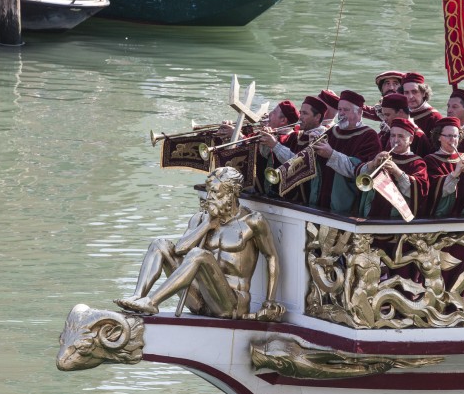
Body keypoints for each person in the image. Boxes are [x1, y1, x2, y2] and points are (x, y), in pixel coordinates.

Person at [114, 167, 284, 321]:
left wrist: (269, 301)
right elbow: (179, 250)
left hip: (230, 304)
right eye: (208, 192)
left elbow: (271, 257)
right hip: (200, 299)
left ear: (232, 193)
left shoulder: (252, 221)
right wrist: (207, 224)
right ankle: (137, 298)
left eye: (215, 192)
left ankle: (152, 301)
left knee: (199, 255)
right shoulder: (201, 218)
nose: (209, 198)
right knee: (160, 245)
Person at [312, 90, 382, 214]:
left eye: (346, 110)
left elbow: (362, 171)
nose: (341, 114)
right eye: (340, 110)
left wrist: (331, 154)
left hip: (348, 204)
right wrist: (313, 146)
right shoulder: (332, 131)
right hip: (322, 200)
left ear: (360, 112)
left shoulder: (369, 136)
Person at [358, 117, 429, 219]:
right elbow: (361, 178)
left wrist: (397, 172)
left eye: (401, 136)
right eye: (392, 136)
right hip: (373, 211)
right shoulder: (382, 155)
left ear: (411, 140)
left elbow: (419, 192)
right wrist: (373, 164)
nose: (395, 140)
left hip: (398, 215)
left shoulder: (417, 163)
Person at [376, 92, 431, 157]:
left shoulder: (419, 137)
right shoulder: (385, 132)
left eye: (388, 115)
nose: (384, 119)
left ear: (401, 112)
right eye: (383, 115)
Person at [402, 72, 443, 137]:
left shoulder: (434, 118)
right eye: (406, 93)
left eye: (414, 92)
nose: (410, 96)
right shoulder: (401, 114)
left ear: (423, 93)